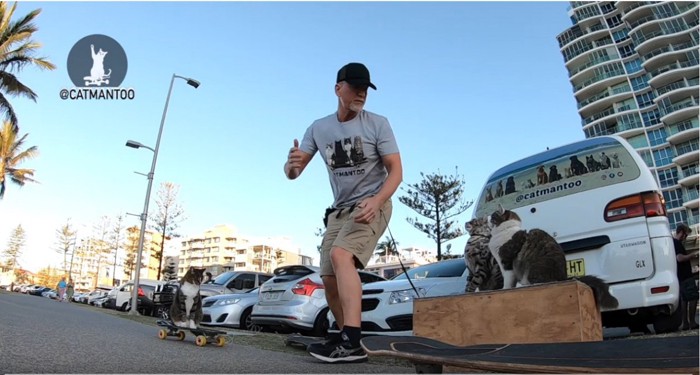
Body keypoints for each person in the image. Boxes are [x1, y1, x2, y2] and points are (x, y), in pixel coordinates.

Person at [284, 62, 402, 363]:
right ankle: (342, 338)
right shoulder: (319, 128)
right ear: (338, 89)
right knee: (328, 276)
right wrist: (291, 165)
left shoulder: (378, 123)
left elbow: (396, 172)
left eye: (366, 88)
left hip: (373, 204)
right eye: (355, 86)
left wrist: (377, 201)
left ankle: (352, 339)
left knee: (341, 256)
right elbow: (294, 172)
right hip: (339, 212)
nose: (361, 92)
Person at [673, 223, 699, 330]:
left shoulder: (672, 243)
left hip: (680, 277)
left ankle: (685, 323)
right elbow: (679, 258)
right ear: (682, 232)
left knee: (684, 300)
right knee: (693, 297)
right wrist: (692, 255)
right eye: (686, 235)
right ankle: (692, 322)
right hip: (686, 277)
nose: (686, 237)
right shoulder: (677, 243)